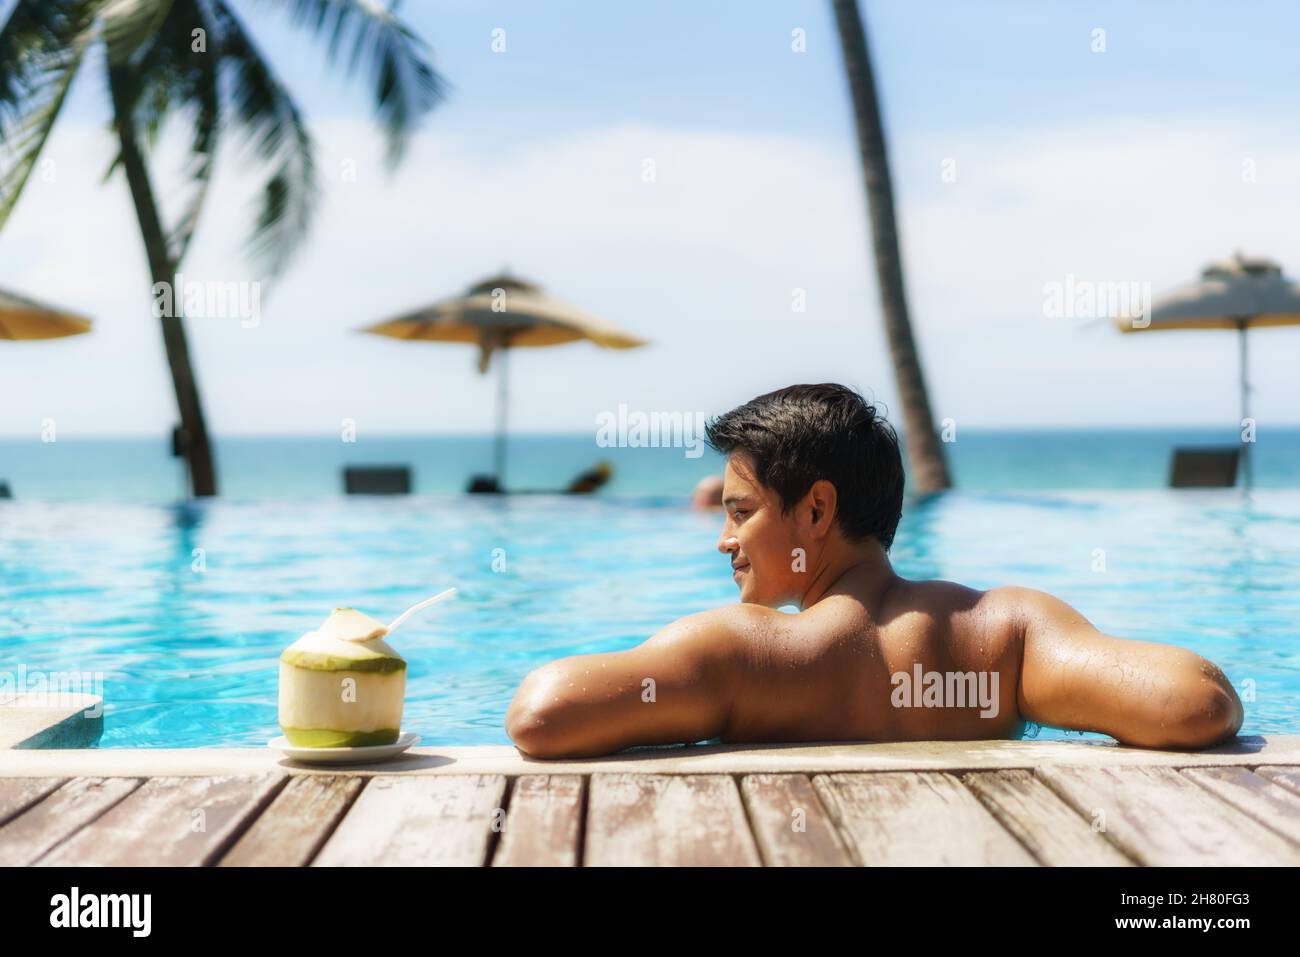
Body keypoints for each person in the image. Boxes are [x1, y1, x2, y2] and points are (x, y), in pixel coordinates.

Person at [505, 384, 1244, 758]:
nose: (724, 540)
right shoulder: (1008, 631)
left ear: (816, 510)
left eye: (741, 512)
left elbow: (541, 713)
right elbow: (1196, 701)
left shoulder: (740, 653)